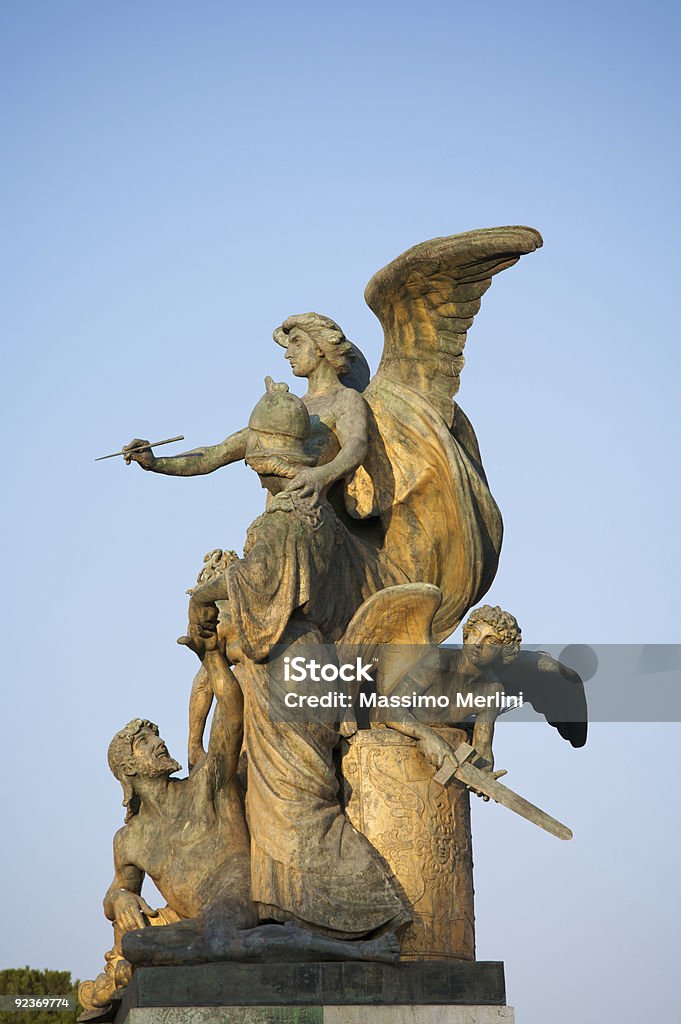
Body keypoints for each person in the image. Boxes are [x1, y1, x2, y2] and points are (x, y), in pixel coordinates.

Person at [187, 379, 410, 940]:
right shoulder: (325, 522)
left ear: (265, 463)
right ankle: (297, 915)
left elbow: (253, 581)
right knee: (298, 798)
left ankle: (367, 910)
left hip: (288, 668)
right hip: (315, 663)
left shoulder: (279, 524)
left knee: (294, 805)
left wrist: (199, 597)